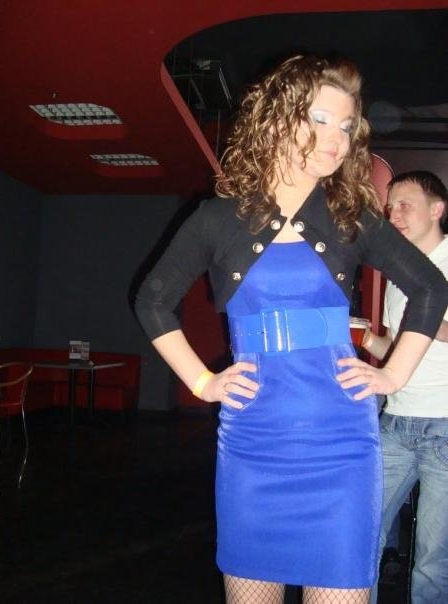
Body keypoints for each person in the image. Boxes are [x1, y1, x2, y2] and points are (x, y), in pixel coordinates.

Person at [134, 56, 448, 604]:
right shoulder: (218, 218)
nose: (338, 138)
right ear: (277, 121)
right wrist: (203, 383)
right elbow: (152, 300)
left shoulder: (351, 218)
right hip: (253, 444)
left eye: (346, 126)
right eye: (321, 120)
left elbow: (430, 288)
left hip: (341, 447)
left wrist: (393, 375)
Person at [362, 170, 448, 604]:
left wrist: (428, 318)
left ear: (436, 210)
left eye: (404, 206)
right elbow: (397, 348)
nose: (393, 215)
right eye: (390, 207)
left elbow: (429, 332)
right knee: (362, 534)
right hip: (395, 421)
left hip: (445, 425)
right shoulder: (400, 273)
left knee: (434, 558)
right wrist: (363, 337)